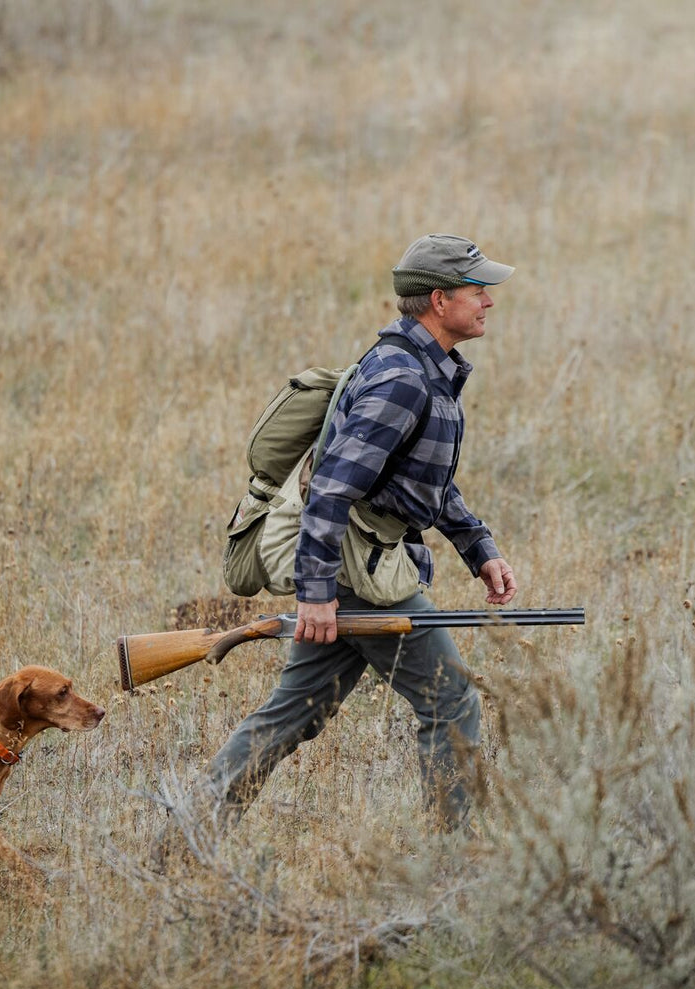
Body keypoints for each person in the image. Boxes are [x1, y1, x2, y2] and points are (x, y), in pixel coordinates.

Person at [151, 234, 518, 866]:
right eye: (476, 289)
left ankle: (183, 843)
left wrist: (477, 546)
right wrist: (317, 594)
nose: (488, 300)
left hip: (350, 567)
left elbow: (420, 478)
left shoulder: (420, 367)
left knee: (295, 710)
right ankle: (455, 867)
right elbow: (330, 487)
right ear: (438, 300)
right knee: (451, 699)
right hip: (357, 572)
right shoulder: (403, 380)